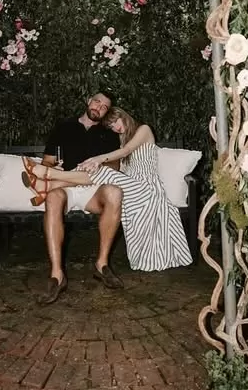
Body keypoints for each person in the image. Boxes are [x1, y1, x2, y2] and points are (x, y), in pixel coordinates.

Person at [24, 105, 193, 277]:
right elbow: (122, 164)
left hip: (147, 188)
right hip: (131, 187)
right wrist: (96, 163)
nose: (115, 127)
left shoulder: (143, 129)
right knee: (99, 170)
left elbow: (126, 151)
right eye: (111, 126)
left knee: (101, 170)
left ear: (123, 116)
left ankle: (49, 179)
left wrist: (98, 159)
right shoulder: (122, 139)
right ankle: (49, 185)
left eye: (115, 122)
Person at [29, 91, 125, 305]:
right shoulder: (64, 128)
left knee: (115, 192)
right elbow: (47, 162)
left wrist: (98, 165)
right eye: (97, 102)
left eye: (104, 107)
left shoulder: (108, 134)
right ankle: (57, 275)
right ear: (88, 101)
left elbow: (114, 168)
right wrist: (55, 167)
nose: (99, 107)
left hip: (93, 188)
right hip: (66, 189)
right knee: (53, 198)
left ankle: (102, 265)